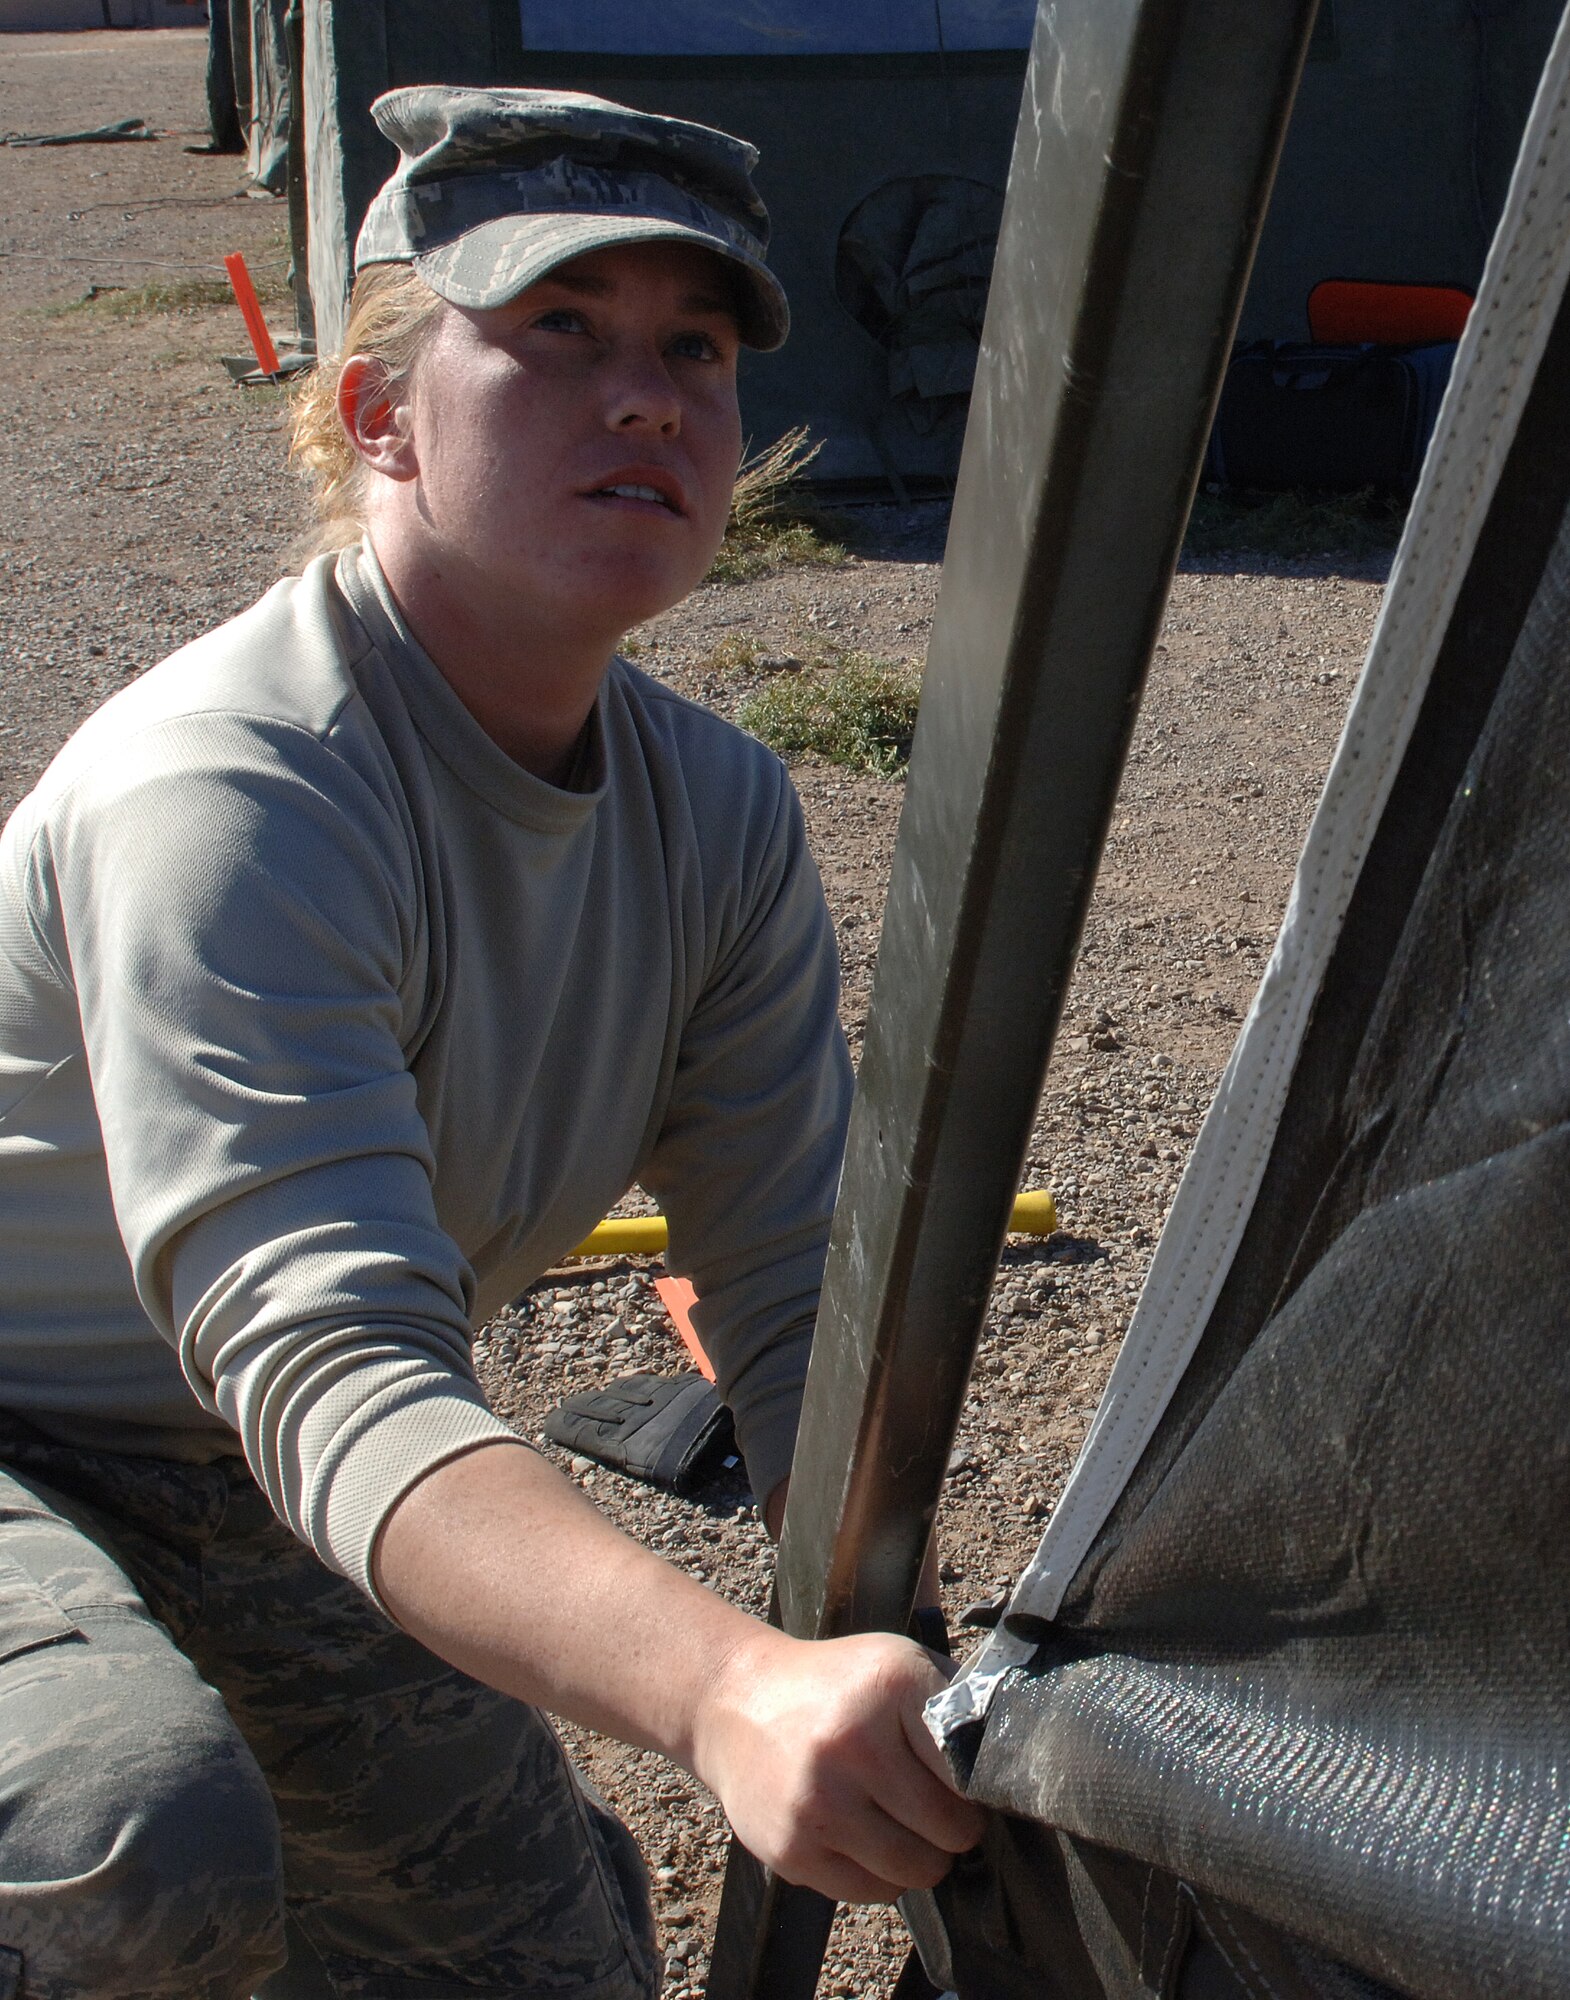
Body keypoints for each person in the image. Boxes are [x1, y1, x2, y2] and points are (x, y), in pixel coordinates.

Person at [0, 84, 984, 2000]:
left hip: (242, 1474)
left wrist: (889, 1652)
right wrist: (721, 1687)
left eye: (692, 350)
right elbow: (332, 1360)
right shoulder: (232, 791)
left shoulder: (717, 812)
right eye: (558, 331)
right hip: (40, 1440)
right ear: (377, 413)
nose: (647, 401)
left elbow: (795, 1289)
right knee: (126, 1856)